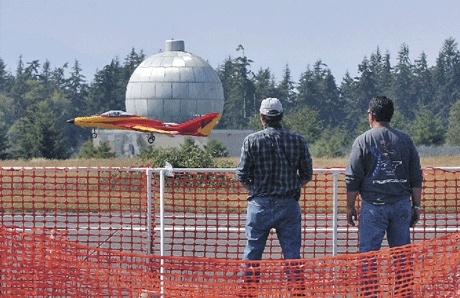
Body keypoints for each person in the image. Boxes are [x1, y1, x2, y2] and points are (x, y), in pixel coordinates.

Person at [345, 96, 423, 296]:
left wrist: (350, 206)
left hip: (373, 207)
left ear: (371, 115)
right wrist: (416, 206)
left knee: (369, 258)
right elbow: (415, 176)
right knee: (403, 257)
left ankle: (370, 294)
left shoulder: (362, 140)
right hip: (400, 205)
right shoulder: (405, 140)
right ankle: (404, 293)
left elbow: (353, 177)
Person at [236, 97, 313, 296]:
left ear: (262, 117)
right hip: (288, 205)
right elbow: (306, 174)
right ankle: (296, 292)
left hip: (259, 204)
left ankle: (248, 292)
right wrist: (293, 186)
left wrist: (255, 189)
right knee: (292, 256)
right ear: (281, 116)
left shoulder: (251, 141)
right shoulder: (297, 140)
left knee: (252, 253)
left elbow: (242, 175)